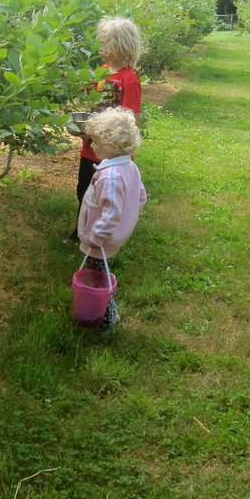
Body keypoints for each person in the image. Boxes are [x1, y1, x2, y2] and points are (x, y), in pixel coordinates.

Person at [68, 16, 143, 241]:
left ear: (122, 46)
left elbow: (132, 118)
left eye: (107, 44)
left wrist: (106, 131)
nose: (102, 49)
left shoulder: (128, 79)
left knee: (109, 193)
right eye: (102, 44)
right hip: (91, 146)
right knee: (85, 190)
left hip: (113, 150)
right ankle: (81, 231)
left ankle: (107, 231)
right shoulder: (102, 71)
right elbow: (88, 94)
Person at [77, 106, 147, 331]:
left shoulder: (111, 176)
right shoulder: (129, 166)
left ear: (110, 145)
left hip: (100, 242)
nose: (91, 145)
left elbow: (111, 213)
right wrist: (131, 218)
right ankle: (107, 311)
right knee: (100, 274)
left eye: (95, 141)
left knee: (96, 279)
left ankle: (105, 319)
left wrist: (96, 238)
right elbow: (141, 196)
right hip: (112, 238)